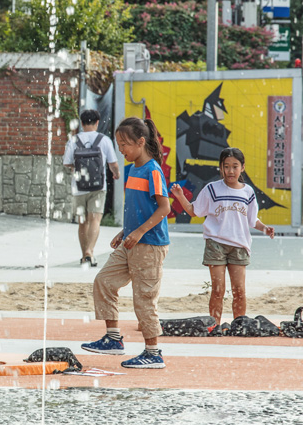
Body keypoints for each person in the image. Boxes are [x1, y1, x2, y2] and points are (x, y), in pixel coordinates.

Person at [81, 117, 170, 369]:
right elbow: (140, 208)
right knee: (104, 281)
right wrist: (125, 232)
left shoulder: (153, 170)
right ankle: (113, 339)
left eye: (125, 144)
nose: (121, 149)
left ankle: (153, 353)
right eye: (118, 144)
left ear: (141, 142)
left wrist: (139, 232)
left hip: (150, 245)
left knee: (144, 299)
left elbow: (164, 208)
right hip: (131, 242)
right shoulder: (132, 170)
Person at [170, 147, 275, 326]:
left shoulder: (248, 192)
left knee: (239, 291)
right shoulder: (212, 189)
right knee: (218, 290)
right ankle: (215, 326)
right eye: (226, 166)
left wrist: (264, 228)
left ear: (242, 167)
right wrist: (180, 196)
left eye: (235, 166)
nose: (230, 171)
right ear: (221, 167)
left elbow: (252, 220)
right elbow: (194, 211)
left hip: (239, 245)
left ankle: (239, 326)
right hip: (216, 244)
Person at [63, 109, 120, 266]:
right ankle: (90, 251)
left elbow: (67, 163)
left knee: (82, 222)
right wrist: (116, 174)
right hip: (98, 187)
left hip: (78, 187)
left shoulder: (73, 140)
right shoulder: (104, 140)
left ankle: (84, 256)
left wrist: (78, 168)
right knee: (95, 219)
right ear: (97, 122)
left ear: (81, 123)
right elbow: (113, 163)